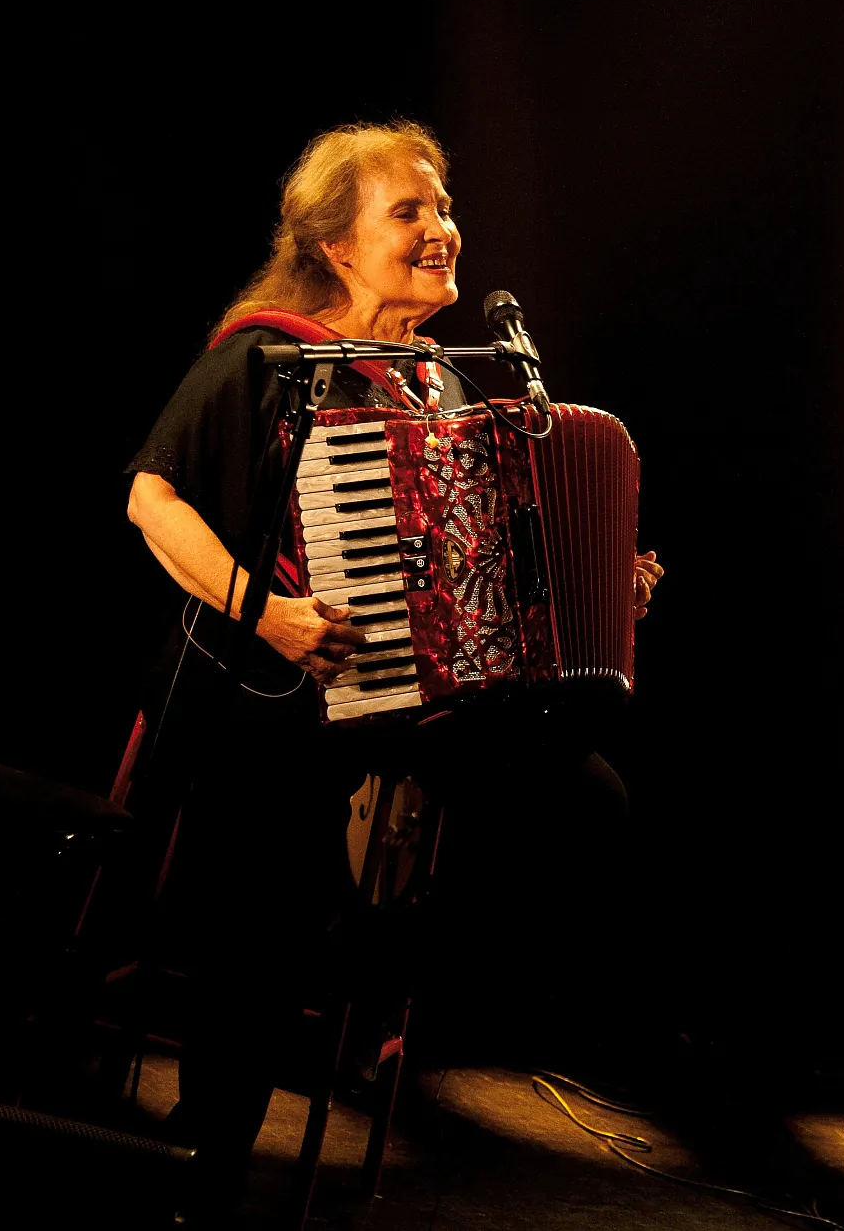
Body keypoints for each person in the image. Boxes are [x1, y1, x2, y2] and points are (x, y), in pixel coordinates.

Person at [122, 119, 662, 1175]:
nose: (442, 228)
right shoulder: (269, 356)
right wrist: (265, 611)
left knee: (587, 801)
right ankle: (207, 1165)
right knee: (262, 899)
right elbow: (151, 498)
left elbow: (485, 569)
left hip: (411, 692)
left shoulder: (440, 385)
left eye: (444, 206)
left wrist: (596, 585)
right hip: (270, 689)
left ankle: (365, 961)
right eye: (409, 211)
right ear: (337, 245)